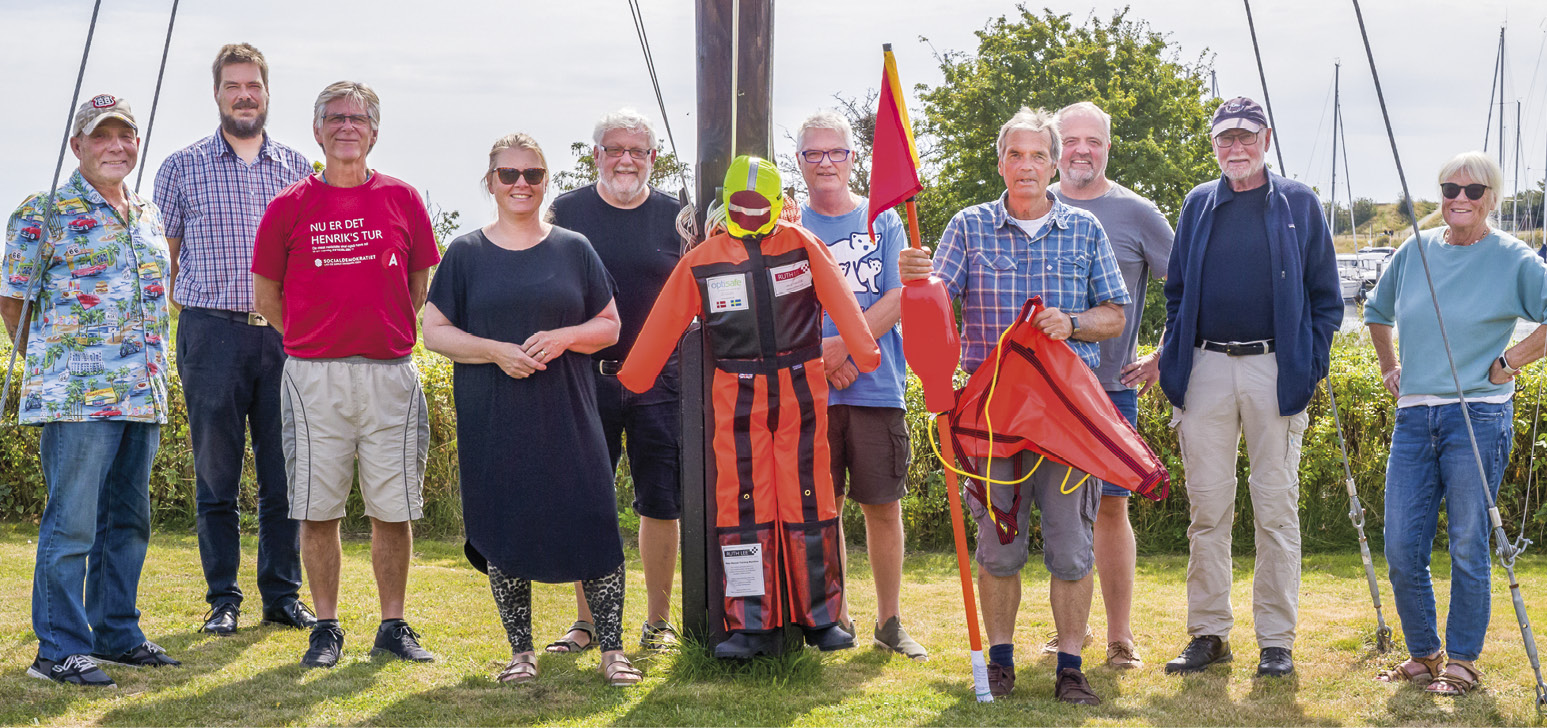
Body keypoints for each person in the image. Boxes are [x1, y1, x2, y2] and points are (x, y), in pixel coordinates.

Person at [898, 107, 1129, 704]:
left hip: (1065, 417)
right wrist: (914, 278)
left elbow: (1116, 315)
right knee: (998, 546)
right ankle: (999, 662)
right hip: (990, 416)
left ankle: (1070, 667)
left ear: (1053, 165)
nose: (1026, 166)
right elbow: (930, 308)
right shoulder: (969, 228)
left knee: (1072, 546)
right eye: (1015, 155)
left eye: (1037, 156)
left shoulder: (1085, 230)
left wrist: (1073, 323)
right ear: (1000, 162)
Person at [619, 156, 879, 660]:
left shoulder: (804, 246)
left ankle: (822, 617)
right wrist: (635, 377)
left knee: (811, 497)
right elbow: (664, 320)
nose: (754, 213)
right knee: (742, 504)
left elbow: (841, 301)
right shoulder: (703, 259)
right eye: (743, 204)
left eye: (764, 205)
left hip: (802, 386)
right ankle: (750, 623)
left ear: (781, 203)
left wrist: (864, 351)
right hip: (736, 393)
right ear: (728, 203)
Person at [422, 133, 639, 687]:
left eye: (533, 175)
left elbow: (610, 326)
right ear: (490, 182)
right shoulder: (466, 253)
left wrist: (566, 337)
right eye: (509, 174)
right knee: (503, 521)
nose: (521, 184)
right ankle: (520, 652)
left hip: (568, 411)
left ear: (546, 181)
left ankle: (612, 650)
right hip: (493, 413)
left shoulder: (574, 248)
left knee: (593, 516)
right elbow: (434, 331)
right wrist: (494, 352)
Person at [251, 81, 440, 669]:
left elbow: (417, 288)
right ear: (316, 130)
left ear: (374, 131)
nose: (346, 127)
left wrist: (376, 332)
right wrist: (318, 339)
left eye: (358, 118)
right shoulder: (289, 205)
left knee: (394, 507)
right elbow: (267, 295)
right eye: (334, 118)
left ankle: (392, 624)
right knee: (317, 506)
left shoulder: (403, 199)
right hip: (314, 377)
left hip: (390, 374)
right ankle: (327, 626)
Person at [1158, 97, 1342, 678]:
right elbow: (1177, 294)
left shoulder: (1300, 204)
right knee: (1208, 512)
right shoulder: (1197, 204)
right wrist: (1173, 364)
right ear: (1214, 145)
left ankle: (1276, 642)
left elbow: (1326, 301)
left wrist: (1307, 367)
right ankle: (1209, 633)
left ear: (1266, 137)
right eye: (1224, 138)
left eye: (1245, 136)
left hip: (1275, 371)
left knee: (1276, 513)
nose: (1235, 148)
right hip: (1206, 369)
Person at [2, 95, 181, 686]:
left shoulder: (151, 215)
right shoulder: (42, 212)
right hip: (76, 398)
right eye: (101, 136)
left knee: (128, 523)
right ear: (77, 145)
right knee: (72, 523)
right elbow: (13, 301)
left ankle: (116, 633)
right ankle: (57, 650)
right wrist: (60, 364)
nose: (115, 146)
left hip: (143, 393)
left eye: (125, 135)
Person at [1366, 151, 1547, 695]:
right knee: (1400, 544)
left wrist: (1509, 362)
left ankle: (1463, 660)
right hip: (1415, 418)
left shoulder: (1515, 259)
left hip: (1480, 416)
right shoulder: (1413, 252)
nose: (1460, 199)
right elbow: (1376, 313)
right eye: (1450, 189)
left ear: (1491, 198)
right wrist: (1389, 366)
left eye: (1472, 191)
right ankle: (1423, 654)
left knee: (1468, 543)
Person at [153, 42, 315, 637]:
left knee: (284, 475)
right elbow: (163, 259)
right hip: (210, 335)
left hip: (283, 337)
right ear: (217, 93)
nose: (244, 95)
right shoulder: (180, 167)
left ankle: (282, 595)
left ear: (267, 93)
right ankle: (223, 598)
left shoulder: (299, 169)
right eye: (232, 86)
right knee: (216, 476)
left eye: (254, 85)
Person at [547, 109, 682, 653]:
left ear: (653, 158)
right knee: (587, 500)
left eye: (638, 150)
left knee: (660, 503)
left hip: (661, 382)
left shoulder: (679, 217)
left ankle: (657, 623)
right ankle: (588, 623)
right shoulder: (565, 212)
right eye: (614, 148)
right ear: (596, 154)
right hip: (584, 378)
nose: (626, 158)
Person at [793, 109, 925, 660]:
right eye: (814, 154)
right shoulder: (787, 224)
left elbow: (899, 297)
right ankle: (834, 614)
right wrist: (821, 362)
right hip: (810, 391)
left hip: (876, 386)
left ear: (854, 158)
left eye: (837, 152)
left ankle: (889, 621)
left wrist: (843, 347)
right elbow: (782, 312)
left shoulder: (884, 219)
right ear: (799, 163)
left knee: (882, 506)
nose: (827, 162)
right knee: (822, 506)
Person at [1048, 101, 1174, 670]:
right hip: (1042, 393)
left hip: (1110, 390)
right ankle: (1068, 633)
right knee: (1053, 512)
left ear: (1107, 148)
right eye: (1070, 140)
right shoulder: (1033, 205)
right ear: (1055, 148)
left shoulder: (1138, 213)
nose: (1081, 150)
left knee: (1110, 511)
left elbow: (1189, 287)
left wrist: (1163, 355)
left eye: (1092, 141)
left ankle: (1121, 636)